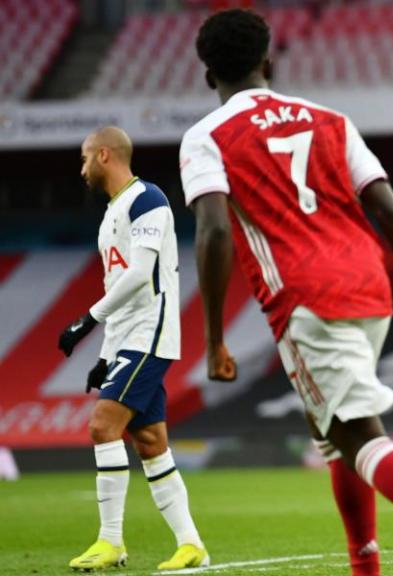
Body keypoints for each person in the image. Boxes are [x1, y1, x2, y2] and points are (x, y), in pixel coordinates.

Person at [179, 9, 393, 576]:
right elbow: (389, 208)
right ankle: (364, 567)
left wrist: (216, 337)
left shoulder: (206, 137)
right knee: (335, 435)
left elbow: (215, 230)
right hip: (369, 284)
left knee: (358, 436)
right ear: (269, 61)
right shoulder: (331, 121)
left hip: (306, 298)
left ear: (206, 74)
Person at [58, 126, 208, 571]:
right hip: (129, 336)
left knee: (103, 426)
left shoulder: (148, 199)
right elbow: (117, 285)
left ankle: (110, 541)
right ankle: (191, 544)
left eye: (85, 159)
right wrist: (105, 356)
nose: (82, 169)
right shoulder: (112, 214)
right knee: (149, 441)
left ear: (104, 154)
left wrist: (86, 320)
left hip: (150, 333)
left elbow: (141, 273)